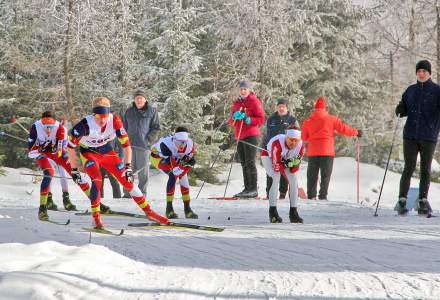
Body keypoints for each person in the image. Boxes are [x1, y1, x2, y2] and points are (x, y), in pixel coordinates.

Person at [67, 97, 168, 229]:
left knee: (128, 181)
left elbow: (127, 146)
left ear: (109, 113)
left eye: (105, 115)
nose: (102, 120)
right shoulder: (84, 125)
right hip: (89, 153)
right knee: (97, 180)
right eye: (98, 116)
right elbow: (69, 147)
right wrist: (74, 170)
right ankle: (96, 218)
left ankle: (149, 212)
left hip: (107, 151)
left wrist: (128, 168)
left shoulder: (114, 121)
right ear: (93, 114)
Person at [394, 60, 440, 215]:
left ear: (429, 73)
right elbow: (404, 107)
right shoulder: (410, 90)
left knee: (425, 170)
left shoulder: (437, 91)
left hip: (429, 136)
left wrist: (435, 126)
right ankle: (402, 199)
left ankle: (423, 200)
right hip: (410, 135)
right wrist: (400, 109)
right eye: (419, 71)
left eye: (424, 71)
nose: (421, 74)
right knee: (409, 167)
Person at [28, 111, 90, 220]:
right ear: (41, 123)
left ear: (55, 123)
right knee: (49, 172)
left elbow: (60, 153)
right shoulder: (35, 127)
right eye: (45, 126)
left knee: (75, 173)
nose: (48, 129)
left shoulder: (61, 129)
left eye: (50, 126)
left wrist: (52, 148)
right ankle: (42, 208)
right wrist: (41, 149)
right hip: (41, 155)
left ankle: (96, 202)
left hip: (57, 153)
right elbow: (31, 153)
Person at [301, 96, 361, 200]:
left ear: (314, 109)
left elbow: (304, 137)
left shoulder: (308, 121)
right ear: (325, 109)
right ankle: (323, 196)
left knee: (312, 175)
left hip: (313, 152)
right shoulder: (332, 119)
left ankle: (311, 196)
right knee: (325, 175)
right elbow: (343, 129)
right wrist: (356, 132)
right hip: (327, 151)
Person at [150, 127, 198, 219]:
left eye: (184, 142)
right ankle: (169, 209)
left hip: (175, 157)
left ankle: (187, 209)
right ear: (174, 139)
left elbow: (188, 163)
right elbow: (174, 167)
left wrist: (186, 166)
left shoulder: (190, 145)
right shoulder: (166, 144)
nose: (182, 145)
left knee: (183, 176)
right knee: (173, 175)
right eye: (179, 142)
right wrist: (181, 167)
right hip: (158, 158)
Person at [229, 80, 265, 198]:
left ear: (249, 90)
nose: (243, 91)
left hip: (251, 135)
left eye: (245, 89)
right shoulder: (237, 103)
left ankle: (253, 189)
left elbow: (261, 119)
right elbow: (231, 121)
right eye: (241, 89)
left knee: (250, 162)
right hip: (240, 135)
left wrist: (249, 119)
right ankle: (247, 188)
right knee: (243, 163)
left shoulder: (254, 101)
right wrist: (234, 117)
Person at [122, 89, 160, 198]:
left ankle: (142, 194)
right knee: (128, 170)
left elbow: (156, 128)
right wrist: (123, 141)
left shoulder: (152, 111)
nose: (139, 100)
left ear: (145, 99)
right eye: (137, 98)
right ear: (134, 100)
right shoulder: (129, 111)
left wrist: (149, 139)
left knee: (143, 173)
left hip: (143, 146)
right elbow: (123, 128)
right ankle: (127, 193)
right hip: (129, 146)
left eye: (141, 98)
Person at [261, 129, 304, 223]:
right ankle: (272, 212)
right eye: (291, 140)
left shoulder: (300, 146)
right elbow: (276, 166)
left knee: (293, 180)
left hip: (284, 159)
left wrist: (292, 164)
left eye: (296, 140)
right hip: (268, 156)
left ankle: (293, 212)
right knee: (275, 176)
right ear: (286, 137)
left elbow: (294, 169)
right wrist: (286, 163)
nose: (293, 143)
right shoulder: (278, 143)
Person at [262, 98, 299, 199]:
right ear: (277, 107)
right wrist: (263, 147)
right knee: (271, 171)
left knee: (284, 170)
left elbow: (297, 135)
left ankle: (282, 193)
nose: (281, 108)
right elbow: (266, 134)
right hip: (271, 149)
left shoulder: (292, 120)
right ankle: (269, 193)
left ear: (287, 108)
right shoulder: (271, 119)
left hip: (286, 150)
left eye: (283, 106)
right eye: (279, 106)